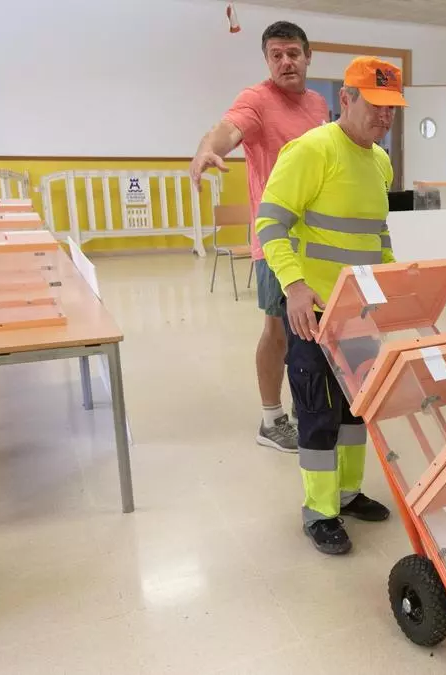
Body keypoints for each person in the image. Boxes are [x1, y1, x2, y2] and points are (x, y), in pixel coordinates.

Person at [254, 57, 407, 554]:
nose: (384, 117)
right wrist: (295, 287)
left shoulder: (380, 161)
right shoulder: (311, 150)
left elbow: (376, 234)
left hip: (358, 312)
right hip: (313, 313)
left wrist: (389, 285)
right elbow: (270, 226)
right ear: (347, 98)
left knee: (355, 412)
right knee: (318, 412)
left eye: (392, 108)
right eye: (376, 105)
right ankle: (320, 511)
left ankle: (348, 492)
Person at [190, 21, 329, 453]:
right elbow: (228, 128)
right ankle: (271, 419)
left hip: (318, 242)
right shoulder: (257, 100)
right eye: (275, 55)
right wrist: (209, 148)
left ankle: (317, 407)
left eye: (292, 53)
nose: (285, 61)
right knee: (279, 330)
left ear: (308, 56)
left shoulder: (319, 104)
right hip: (275, 240)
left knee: (318, 328)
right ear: (267, 60)